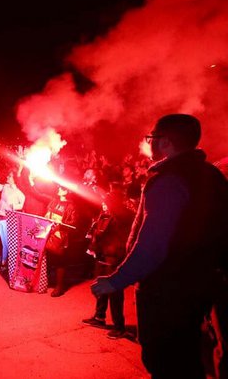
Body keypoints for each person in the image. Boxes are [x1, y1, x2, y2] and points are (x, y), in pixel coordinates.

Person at [92, 114, 228, 378]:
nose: (149, 143)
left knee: (164, 359)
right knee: (188, 353)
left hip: (168, 288)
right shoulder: (211, 173)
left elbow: (154, 244)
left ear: (165, 142)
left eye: (151, 138)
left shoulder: (169, 180)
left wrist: (116, 280)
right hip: (201, 282)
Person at [82, 184, 134, 338]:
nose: (104, 203)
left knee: (114, 291)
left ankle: (119, 327)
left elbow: (117, 228)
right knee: (101, 286)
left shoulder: (124, 215)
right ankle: (99, 317)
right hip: (104, 255)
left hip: (115, 258)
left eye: (107, 201)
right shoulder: (107, 214)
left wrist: (106, 198)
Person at [0, 168, 25, 272]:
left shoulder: (18, 192)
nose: (7, 177)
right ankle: (2, 261)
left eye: (10, 176)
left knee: (6, 242)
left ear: (14, 179)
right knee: (0, 241)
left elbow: (23, 203)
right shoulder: (5, 187)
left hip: (8, 220)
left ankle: (4, 263)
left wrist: (14, 206)